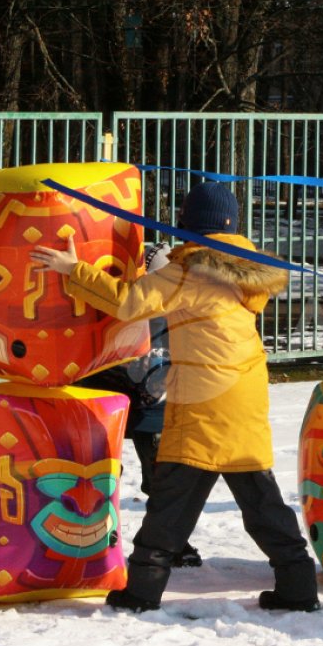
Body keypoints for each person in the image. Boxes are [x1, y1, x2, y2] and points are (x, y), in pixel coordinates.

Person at [31, 181, 320, 613]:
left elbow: (129, 302)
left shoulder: (189, 268)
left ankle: (142, 591)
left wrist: (74, 270)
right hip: (244, 389)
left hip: (206, 396)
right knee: (258, 492)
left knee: (174, 495)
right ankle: (297, 585)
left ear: (188, 224)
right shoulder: (242, 268)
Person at [78, 241, 203, 568]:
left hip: (154, 406)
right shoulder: (120, 294)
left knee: (163, 478)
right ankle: (94, 534)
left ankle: (172, 542)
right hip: (103, 395)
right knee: (98, 472)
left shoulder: (180, 300)